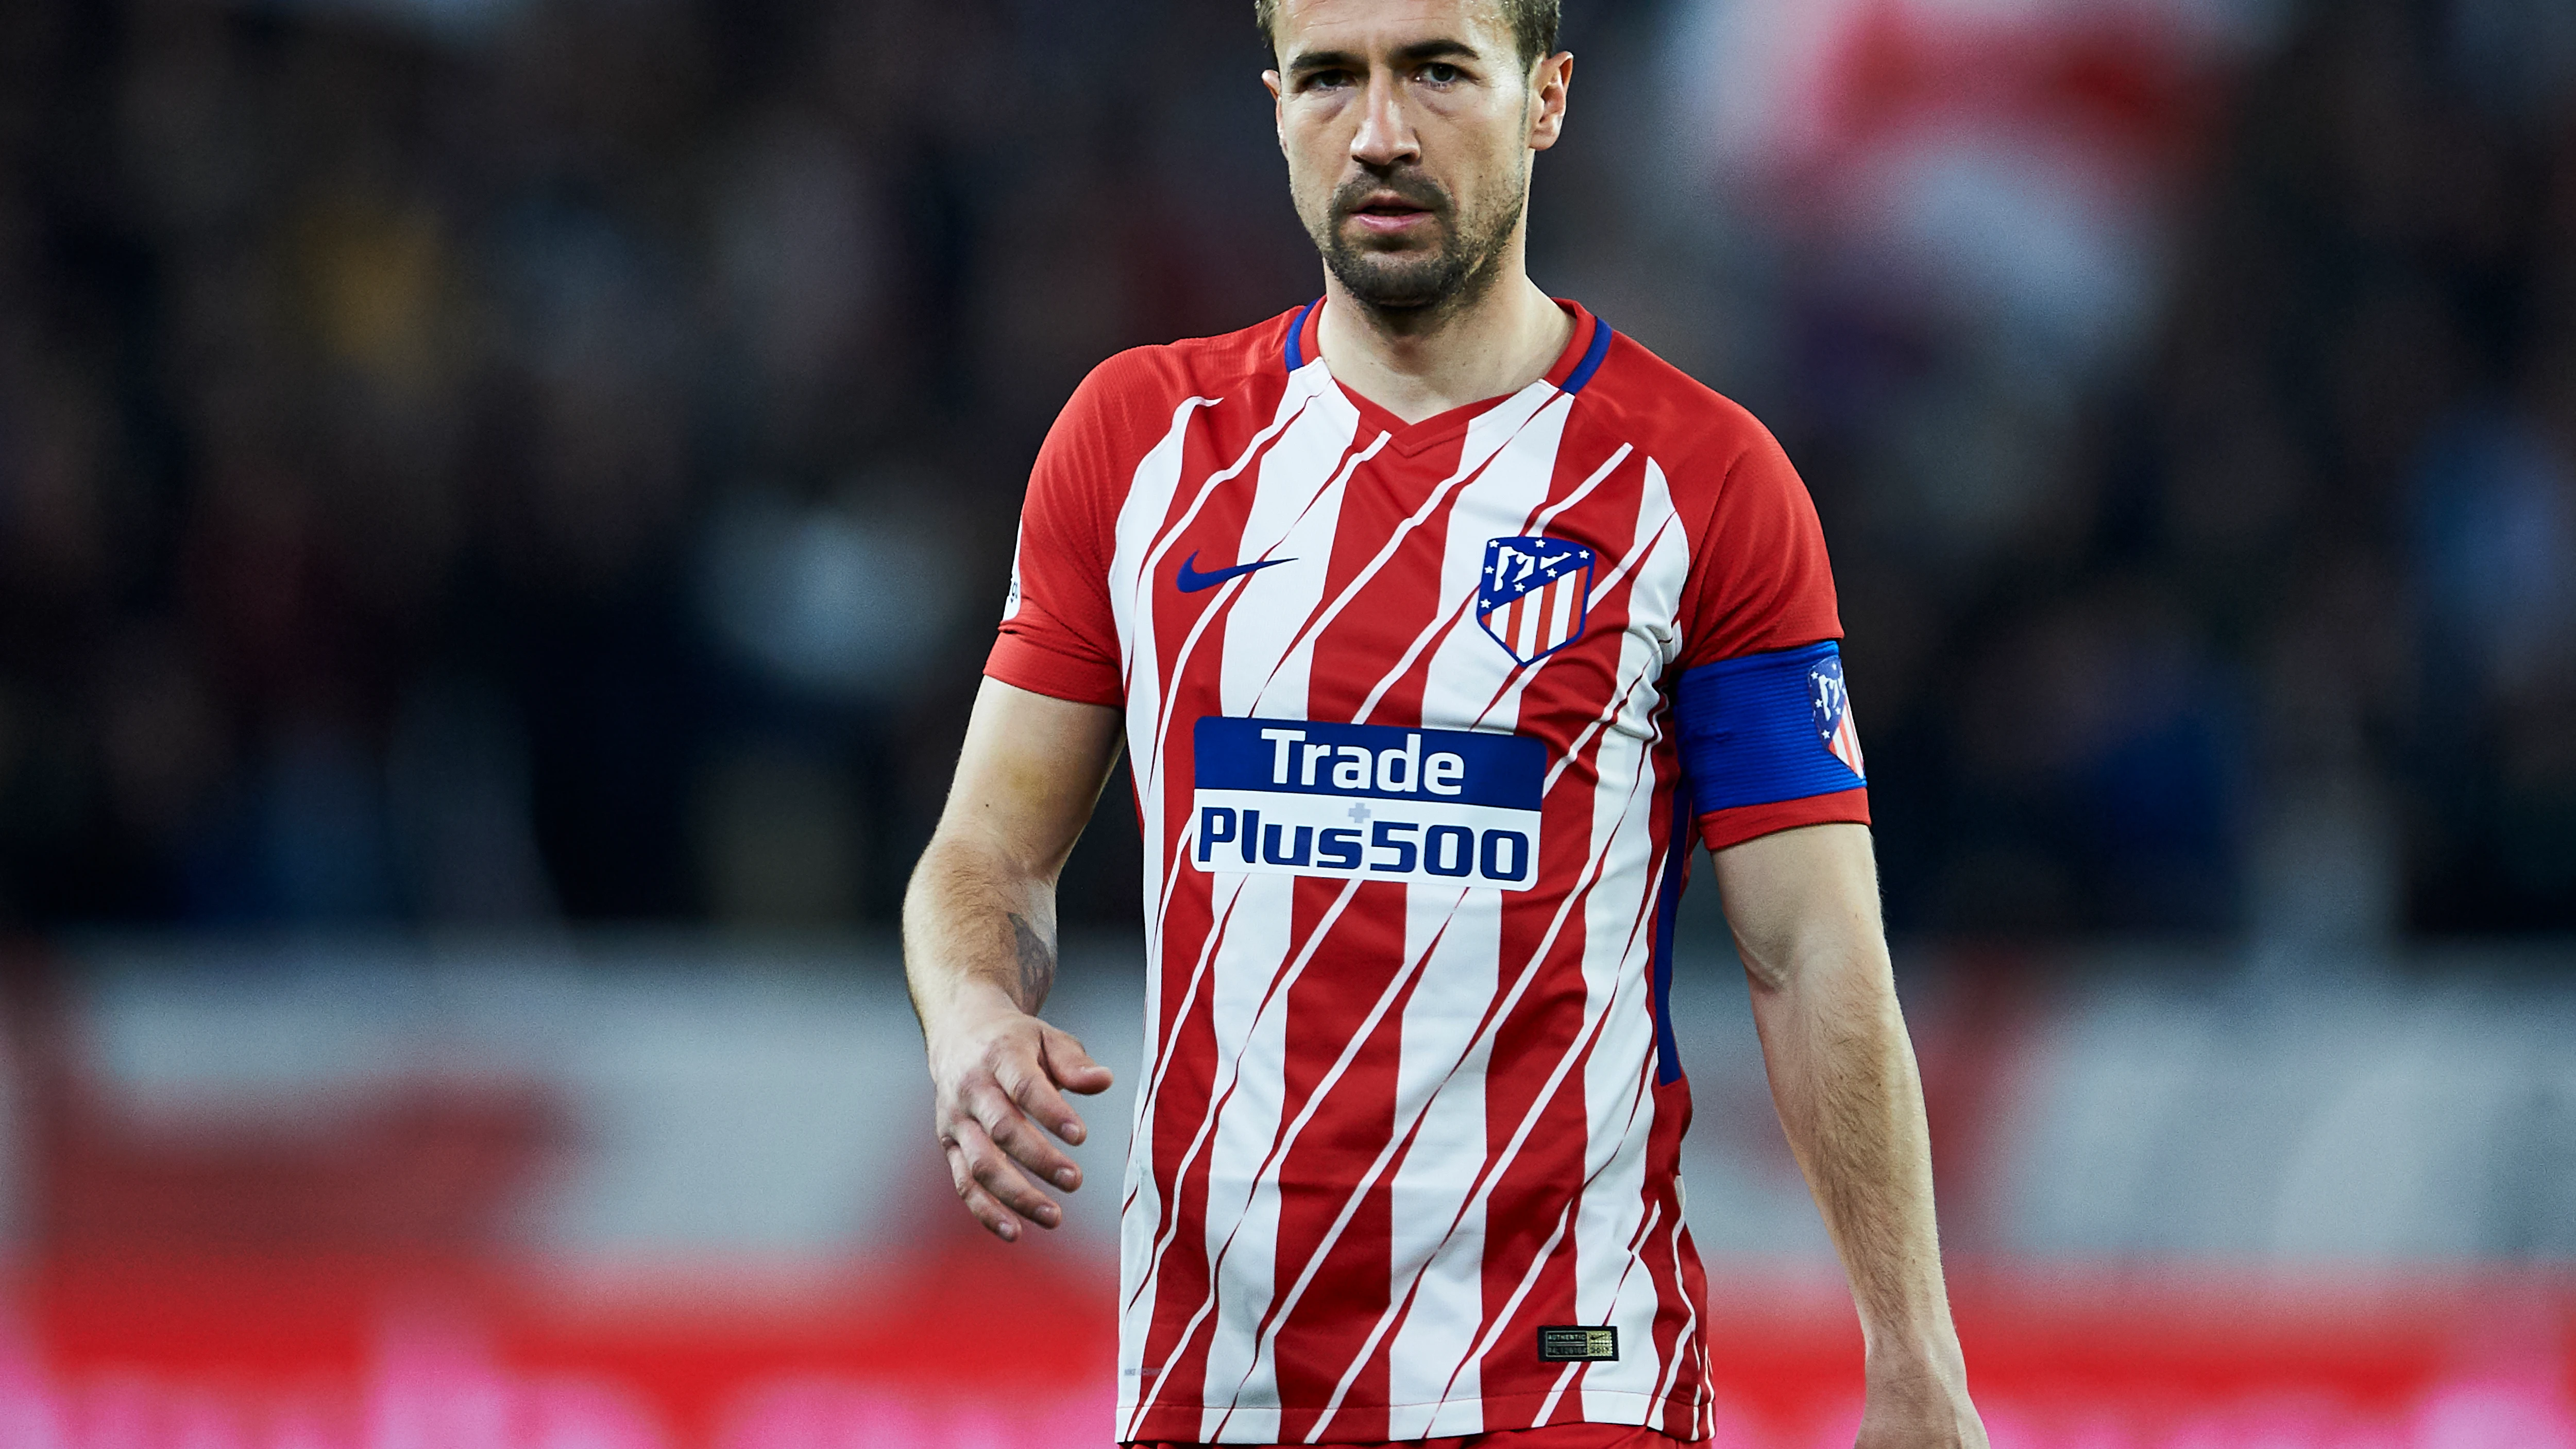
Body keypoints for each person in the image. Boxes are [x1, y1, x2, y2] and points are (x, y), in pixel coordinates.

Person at [903, 1, 1988, 1445]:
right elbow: (984, 847)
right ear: (1275, 104)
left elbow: (1810, 949)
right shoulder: (1139, 441)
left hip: (1566, 1363)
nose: (1382, 135)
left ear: (1545, 98)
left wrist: (1911, 1351)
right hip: (1211, 1379)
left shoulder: (1705, 481)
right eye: (1331, 81)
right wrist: (971, 1010)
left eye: (1435, 73)